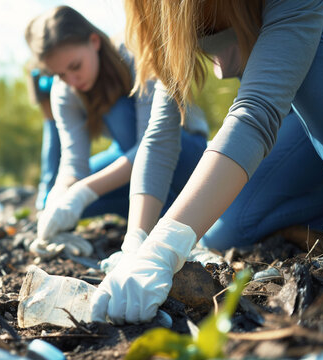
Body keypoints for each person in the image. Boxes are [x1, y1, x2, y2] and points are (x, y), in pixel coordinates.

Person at [91, 0, 323, 325]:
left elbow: (258, 109)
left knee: (318, 41)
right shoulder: (158, 7)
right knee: (225, 230)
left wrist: (164, 247)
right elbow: (160, 133)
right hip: (318, 114)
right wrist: (138, 243)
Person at [24, 6, 209, 255]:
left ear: (94, 41)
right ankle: (157, 216)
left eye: (75, 66)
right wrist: (57, 203)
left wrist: (81, 192)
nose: (71, 80)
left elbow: (152, 144)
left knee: (118, 112)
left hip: (185, 151)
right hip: (127, 157)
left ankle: (175, 216)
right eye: (60, 74)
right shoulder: (64, 90)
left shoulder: (136, 54)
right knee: (58, 204)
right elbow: (74, 164)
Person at [25, 63, 61, 211]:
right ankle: (47, 196)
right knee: (52, 145)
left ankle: (47, 194)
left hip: (66, 116)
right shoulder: (36, 67)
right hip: (52, 118)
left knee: (54, 145)